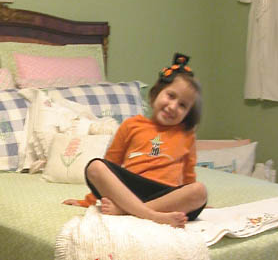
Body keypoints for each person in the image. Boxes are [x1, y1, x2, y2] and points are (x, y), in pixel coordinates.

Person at [83, 53, 207, 228]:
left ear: (188, 114)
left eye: (183, 105)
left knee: (199, 191)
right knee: (95, 167)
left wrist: (190, 199)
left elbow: (188, 176)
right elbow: (111, 163)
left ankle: (127, 211)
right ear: (155, 94)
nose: (173, 106)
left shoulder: (187, 135)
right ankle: (151, 215)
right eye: (171, 96)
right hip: (129, 190)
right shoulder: (131, 125)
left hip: (166, 195)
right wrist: (89, 200)